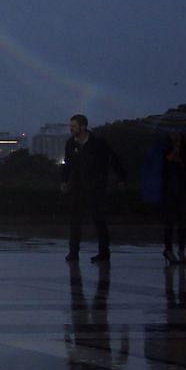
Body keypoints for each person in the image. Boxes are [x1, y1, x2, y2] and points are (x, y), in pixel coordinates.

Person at [61, 113, 125, 264]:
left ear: (83, 127)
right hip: (78, 187)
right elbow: (67, 164)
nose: (71, 129)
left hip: (95, 187)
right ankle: (73, 251)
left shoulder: (98, 143)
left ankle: (104, 252)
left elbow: (112, 159)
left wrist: (120, 177)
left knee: (99, 220)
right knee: (75, 220)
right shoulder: (71, 143)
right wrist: (64, 181)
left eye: (74, 126)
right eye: (71, 126)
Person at [159, 131, 186, 265]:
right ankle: (168, 249)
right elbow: (165, 166)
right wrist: (173, 153)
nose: (175, 136)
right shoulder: (166, 150)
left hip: (181, 188)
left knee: (182, 222)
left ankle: (181, 250)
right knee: (169, 222)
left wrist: (180, 160)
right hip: (169, 190)